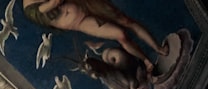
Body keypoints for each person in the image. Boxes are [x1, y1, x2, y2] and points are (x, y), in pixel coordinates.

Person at [21, 0, 167, 73]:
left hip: (85, 3)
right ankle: (146, 60)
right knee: (121, 35)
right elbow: (53, 3)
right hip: (81, 22)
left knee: (126, 21)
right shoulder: (29, 9)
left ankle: (157, 47)